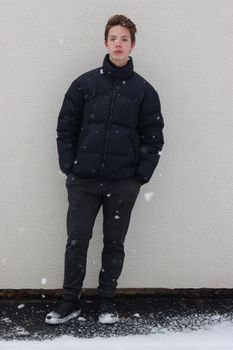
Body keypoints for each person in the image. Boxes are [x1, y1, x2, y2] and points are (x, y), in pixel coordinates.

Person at [45, 14, 164, 325]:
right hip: (83, 181)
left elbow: (154, 135)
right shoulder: (85, 84)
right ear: (105, 42)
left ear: (132, 45)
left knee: (114, 243)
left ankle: (107, 302)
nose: (119, 44)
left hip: (122, 182)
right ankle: (70, 301)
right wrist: (68, 165)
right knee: (77, 241)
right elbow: (65, 127)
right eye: (114, 38)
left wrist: (140, 175)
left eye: (125, 39)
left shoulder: (143, 91)